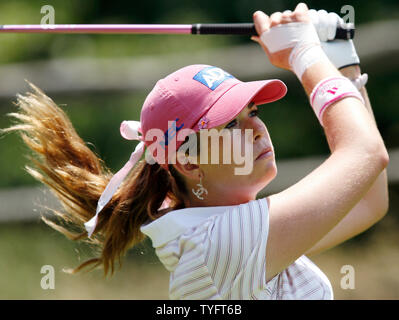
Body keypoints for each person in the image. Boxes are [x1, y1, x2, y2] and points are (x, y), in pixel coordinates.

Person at [3, 3, 389, 299]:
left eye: (252, 112)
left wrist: (343, 62)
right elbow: (365, 154)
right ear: (188, 159)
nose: (256, 127)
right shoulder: (223, 245)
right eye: (230, 123)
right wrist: (307, 55)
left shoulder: (223, 234)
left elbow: (369, 197)